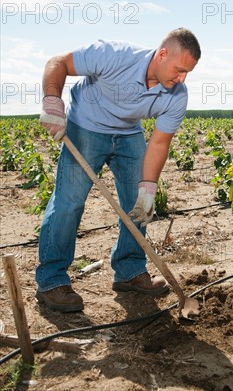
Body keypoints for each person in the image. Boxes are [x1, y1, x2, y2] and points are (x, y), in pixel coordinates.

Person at [36, 28, 201, 312]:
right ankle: (51, 280)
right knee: (69, 201)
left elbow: (159, 143)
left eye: (188, 72)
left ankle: (129, 271)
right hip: (85, 125)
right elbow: (58, 62)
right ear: (162, 55)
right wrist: (52, 99)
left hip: (128, 132)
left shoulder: (177, 95)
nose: (182, 78)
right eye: (180, 69)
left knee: (138, 204)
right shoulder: (114, 55)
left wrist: (149, 187)